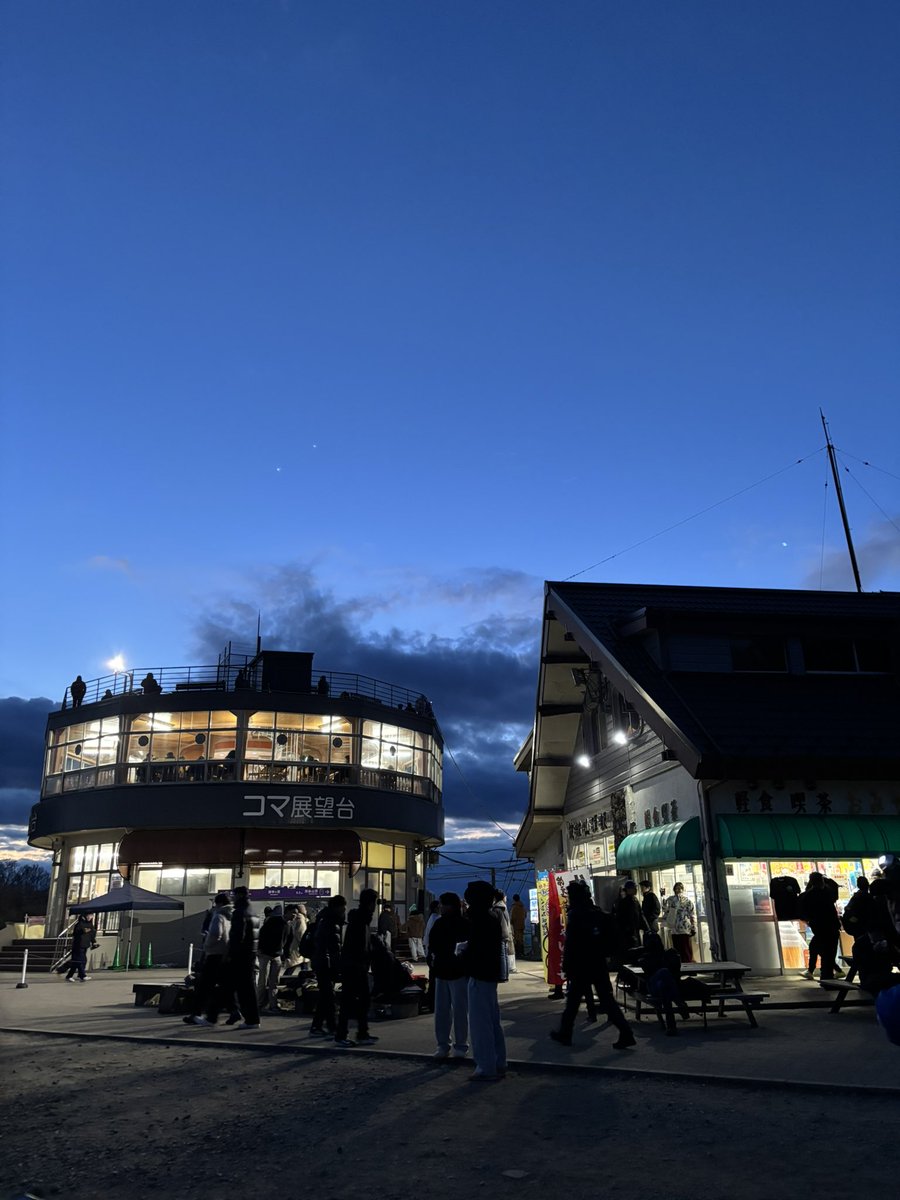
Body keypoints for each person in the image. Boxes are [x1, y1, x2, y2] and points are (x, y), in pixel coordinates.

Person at [549, 880, 636, 1050]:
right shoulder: (596, 912)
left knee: (573, 1001)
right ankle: (626, 1033)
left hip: (581, 965)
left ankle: (565, 1033)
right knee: (606, 1000)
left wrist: (566, 965)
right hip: (598, 963)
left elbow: (572, 944)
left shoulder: (576, 915)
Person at [459, 880, 507, 1082]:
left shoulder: (479, 919)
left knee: (480, 1023)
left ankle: (485, 1066)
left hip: (479, 974)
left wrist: (463, 955)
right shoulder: (493, 918)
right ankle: (498, 1061)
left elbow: (477, 949)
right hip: (490, 974)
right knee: (492, 1021)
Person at [208, 885, 260, 1028]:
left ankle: (248, 1019)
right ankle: (245, 1016)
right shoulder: (253, 912)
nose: (232, 898)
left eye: (234, 895)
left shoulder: (240, 912)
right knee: (242, 988)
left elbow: (237, 936)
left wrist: (230, 954)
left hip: (240, 956)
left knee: (235, 987)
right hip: (250, 954)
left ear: (240, 895)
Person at [334, 887, 379, 1048]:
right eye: (375, 902)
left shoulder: (361, 919)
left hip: (356, 966)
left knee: (361, 1001)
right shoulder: (360, 920)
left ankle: (361, 1032)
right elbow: (358, 946)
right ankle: (344, 1035)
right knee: (351, 1001)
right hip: (354, 967)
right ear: (370, 903)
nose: (376, 906)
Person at [429, 892, 470, 1060]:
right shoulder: (459, 923)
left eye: (443, 904)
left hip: (453, 971)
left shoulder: (456, 924)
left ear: (451, 906)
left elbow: (432, 945)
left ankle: (452, 1045)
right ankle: (449, 1045)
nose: (441, 907)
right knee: (446, 1011)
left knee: (453, 1011)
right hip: (446, 971)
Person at [184, 893, 232, 1025]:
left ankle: (201, 1015)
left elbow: (216, 933)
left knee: (204, 986)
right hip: (225, 955)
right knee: (221, 986)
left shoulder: (219, 915)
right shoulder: (231, 916)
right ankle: (231, 1011)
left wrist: (207, 944)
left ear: (219, 903)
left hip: (214, 954)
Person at [309, 895, 346, 1037]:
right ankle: (330, 1026)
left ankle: (319, 1026)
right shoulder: (329, 922)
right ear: (338, 907)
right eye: (343, 907)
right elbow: (332, 947)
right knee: (328, 995)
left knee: (326, 996)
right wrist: (336, 965)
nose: (344, 910)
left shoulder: (326, 919)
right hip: (325, 963)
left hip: (322, 962)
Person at [798, 872, 842, 981]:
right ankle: (829, 974)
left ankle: (825, 975)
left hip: (819, 927)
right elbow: (834, 886)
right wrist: (826, 878)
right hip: (831, 926)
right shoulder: (828, 892)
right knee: (829, 951)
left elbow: (803, 910)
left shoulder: (809, 895)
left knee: (820, 949)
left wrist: (810, 920)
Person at [256, 904, 287, 1012]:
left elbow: (261, 937)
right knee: (273, 982)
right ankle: (273, 1005)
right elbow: (285, 940)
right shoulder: (284, 924)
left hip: (265, 954)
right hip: (276, 954)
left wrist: (259, 950)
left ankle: (260, 1004)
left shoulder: (268, 922)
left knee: (262, 980)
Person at [662, 882, 696, 962]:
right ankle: (685, 962)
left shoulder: (683, 900)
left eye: (679, 888)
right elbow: (692, 914)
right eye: (677, 888)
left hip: (680, 927)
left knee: (682, 947)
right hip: (679, 927)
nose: (678, 890)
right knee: (682, 947)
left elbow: (665, 910)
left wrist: (693, 926)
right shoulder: (673, 900)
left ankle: (683, 962)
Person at [614, 880, 649, 951]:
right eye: (634, 888)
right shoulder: (624, 903)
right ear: (628, 890)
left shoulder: (635, 900)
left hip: (635, 931)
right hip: (628, 933)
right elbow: (620, 919)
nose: (636, 890)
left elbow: (641, 915)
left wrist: (647, 928)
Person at [842, 877, 878, 943]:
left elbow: (848, 912)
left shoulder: (856, 897)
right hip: (864, 928)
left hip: (858, 928)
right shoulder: (868, 897)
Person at [65, 914, 97, 982]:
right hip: (78, 945)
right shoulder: (79, 924)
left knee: (77, 962)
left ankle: (70, 975)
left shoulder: (90, 924)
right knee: (80, 961)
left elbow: (91, 934)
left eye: (91, 916)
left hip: (86, 944)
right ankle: (82, 975)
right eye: (88, 916)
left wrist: (93, 942)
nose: (90, 917)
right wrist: (86, 930)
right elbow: (77, 932)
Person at [492, 889, 517, 974]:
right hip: (507, 932)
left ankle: (503, 974)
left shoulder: (497, 908)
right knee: (505, 954)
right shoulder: (504, 906)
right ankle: (505, 973)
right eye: (505, 896)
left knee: (503, 954)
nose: (506, 898)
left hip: (502, 933)